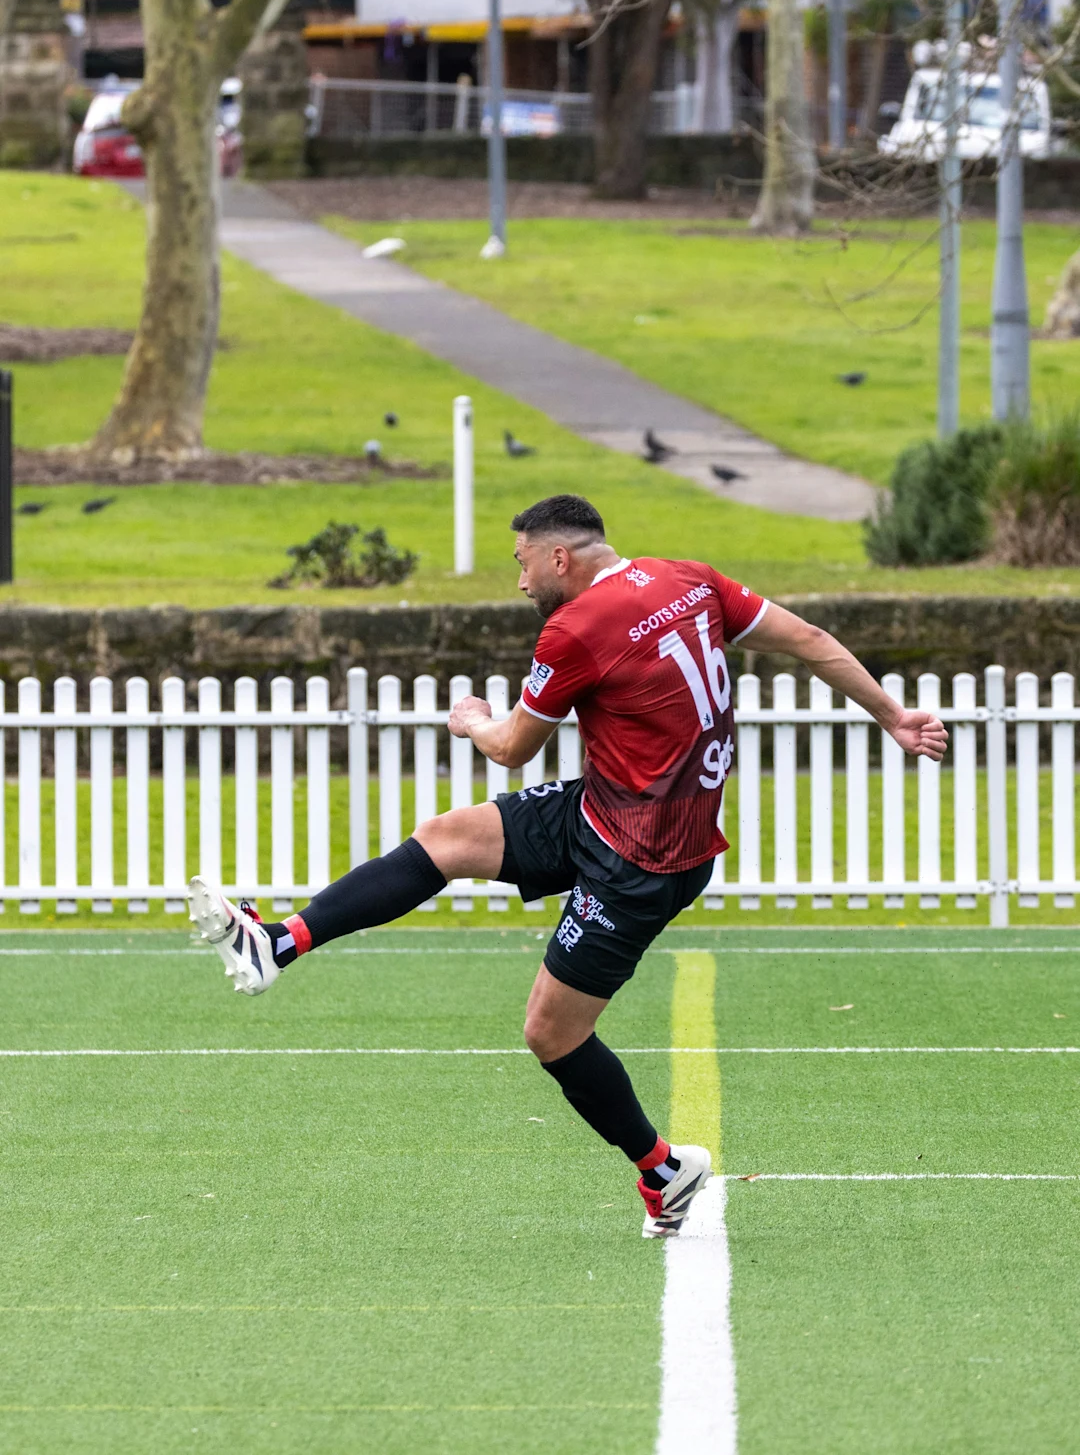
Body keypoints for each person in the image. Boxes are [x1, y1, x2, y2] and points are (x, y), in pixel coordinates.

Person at [188, 494, 948, 1237]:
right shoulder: (690, 579)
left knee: (549, 1032)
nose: (520, 583)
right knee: (449, 836)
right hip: (607, 808)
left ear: (560, 557)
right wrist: (892, 714)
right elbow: (808, 636)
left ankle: (661, 1168)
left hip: (640, 860)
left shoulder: (576, 628)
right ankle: (277, 943)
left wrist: (473, 721)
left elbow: (515, 745)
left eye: (522, 563)